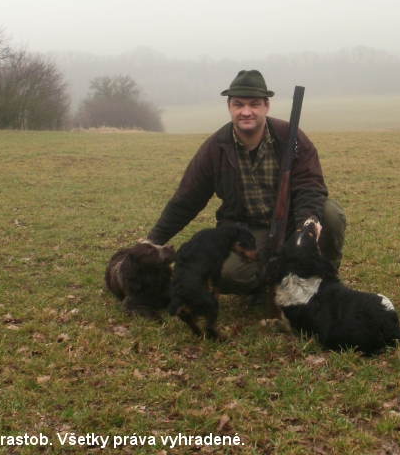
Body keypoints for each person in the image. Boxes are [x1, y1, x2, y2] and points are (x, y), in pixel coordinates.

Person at [146, 70, 346, 303]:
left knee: (330, 214)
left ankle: (323, 279)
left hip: (293, 222)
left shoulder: (291, 138)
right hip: (248, 230)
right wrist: (152, 242)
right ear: (229, 107)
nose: (246, 112)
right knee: (226, 274)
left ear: (267, 106)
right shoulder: (214, 148)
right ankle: (266, 285)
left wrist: (305, 229)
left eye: (254, 104)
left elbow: (310, 186)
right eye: (239, 105)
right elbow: (185, 200)